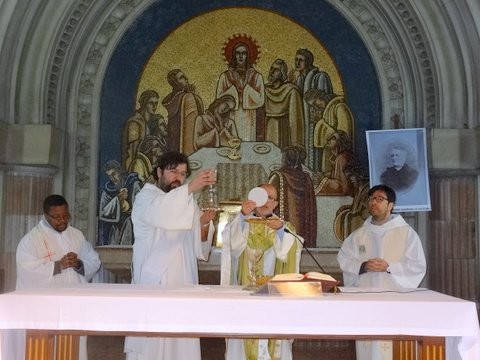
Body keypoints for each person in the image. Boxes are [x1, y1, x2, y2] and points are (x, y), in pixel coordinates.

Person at [124, 151, 217, 360]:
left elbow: (197, 246)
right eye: (173, 171)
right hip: (154, 282)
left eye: (184, 174)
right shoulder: (145, 197)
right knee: (153, 342)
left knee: (181, 341)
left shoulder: (186, 200)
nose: (179, 178)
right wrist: (191, 187)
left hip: (182, 279)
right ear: (159, 172)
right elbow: (163, 215)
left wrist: (202, 227)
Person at [337, 184, 427, 360]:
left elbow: (417, 265)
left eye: (379, 199)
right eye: (371, 199)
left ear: (391, 205)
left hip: (394, 302)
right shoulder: (358, 235)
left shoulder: (406, 233)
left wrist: (389, 267)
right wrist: (363, 266)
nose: (373, 203)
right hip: (366, 302)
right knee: (367, 348)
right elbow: (344, 259)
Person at [221, 183, 303, 360]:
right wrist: (242, 215)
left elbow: (287, 253)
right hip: (244, 299)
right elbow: (232, 245)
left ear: (275, 204)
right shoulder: (241, 223)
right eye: (262, 196)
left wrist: (280, 230)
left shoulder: (284, 227)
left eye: (271, 198)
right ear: (253, 198)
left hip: (274, 301)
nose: (266, 201)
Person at [16, 194, 101, 360]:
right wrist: (58, 265)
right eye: (56, 217)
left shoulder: (76, 235)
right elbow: (27, 271)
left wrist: (78, 264)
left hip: (72, 305)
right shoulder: (31, 240)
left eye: (65, 216)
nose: (62, 221)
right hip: (45, 308)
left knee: (73, 350)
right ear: (45, 215)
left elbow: (93, 260)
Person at [216, 37, 265, 141]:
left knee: (248, 143)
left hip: (249, 116)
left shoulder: (256, 77)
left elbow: (261, 100)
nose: (241, 56)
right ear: (234, 55)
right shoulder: (225, 76)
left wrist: (246, 91)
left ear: (248, 55)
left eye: (244, 53)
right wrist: (234, 92)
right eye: (238, 53)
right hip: (231, 116)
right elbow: (218, 99)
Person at [269, 145, 317, 248]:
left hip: (282, 231)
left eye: (283, 158)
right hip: (303, 230)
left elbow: (267, 199)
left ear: (286, 160)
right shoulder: (307, 179)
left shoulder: (278, 176)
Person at [98, 159, 142, 245]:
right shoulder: (108, 190)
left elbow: (143, 207)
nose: (113, 178)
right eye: (109, 176)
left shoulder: (134, 183)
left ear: (120, 171)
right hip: (116, 229)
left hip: (133, 227)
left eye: (114, 174)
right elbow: (103, 213)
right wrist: (118, 199)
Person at [264, 59, 305, 149]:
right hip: (267, 132)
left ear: (282, 73)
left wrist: (295, 145)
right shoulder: (265, 90)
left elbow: (295, 119)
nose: (271, 72)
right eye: (271, 69)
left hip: (284, 132)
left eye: (276, 70)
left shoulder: (291, 90)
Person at [162, 69, 204, 155]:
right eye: (181, 77)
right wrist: (194, 94)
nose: (186, 78)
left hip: (173, 142)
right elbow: (196, 120)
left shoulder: (171, 99)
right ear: (175, 83)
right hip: (187, 145)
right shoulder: (187, 97)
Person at [122, 90, 167, 170]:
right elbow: (132, 153)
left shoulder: (149, 122)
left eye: (156, 103)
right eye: (151, 103)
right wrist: (132, 175)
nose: (154, 106)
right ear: (144, 104)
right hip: (138, 169)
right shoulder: (135, 124)